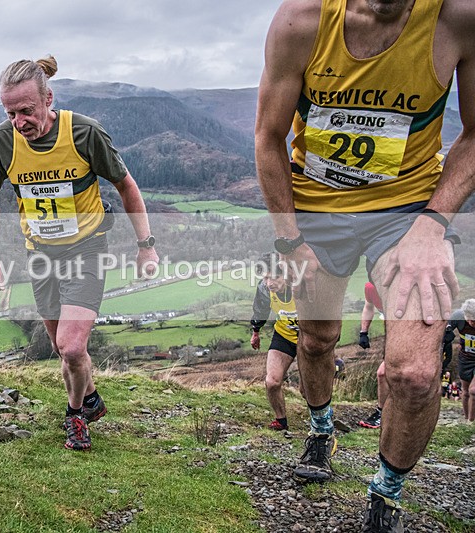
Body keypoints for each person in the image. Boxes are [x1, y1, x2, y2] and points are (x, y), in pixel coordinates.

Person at [256, 0, 474, 529]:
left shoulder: (458, 18)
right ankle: (321, 426)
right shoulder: (301, 21)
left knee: (418, 373)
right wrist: (290, 241)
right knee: (315, 339)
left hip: (407, 213)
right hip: (317, 208)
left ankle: (386, 494)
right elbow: (268, 138)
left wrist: (433, 224)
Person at [0, 56, 159, 451]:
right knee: (63, 347)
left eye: (26, 111)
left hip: (87, 249)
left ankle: (75, 415)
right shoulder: (2, 141)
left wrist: (146, 246)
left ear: (48, 99)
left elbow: (126, 185)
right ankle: (90, 397)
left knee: (73, 346)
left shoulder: (83, 132)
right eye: (11, 113)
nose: (19, 122)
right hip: (40, 254)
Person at [250, 257, 300, 432]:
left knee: (309, 389)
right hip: (284, 335)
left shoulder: (301, 287)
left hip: (308, 340)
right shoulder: (264, 288)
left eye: (274, 278)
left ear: (286, 276)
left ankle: (321, 419)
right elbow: (261, 309)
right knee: (272, 382)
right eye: (265, 278)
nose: (269, 283)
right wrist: (256, 331)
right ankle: (281, 420)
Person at [358, 281, 386, 430]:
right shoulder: (370, 287)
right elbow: (369, 307)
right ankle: (382, 414)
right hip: (393, 333)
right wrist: (364, 332)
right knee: (383, 374)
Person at [442, 299, 475, 421]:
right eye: (470, 320)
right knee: (465, 392)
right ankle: (468, 421)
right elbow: (444, 333)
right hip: (465, 359)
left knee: (473, 390)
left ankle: (472, 423)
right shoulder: (458, 316)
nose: (472, 323)